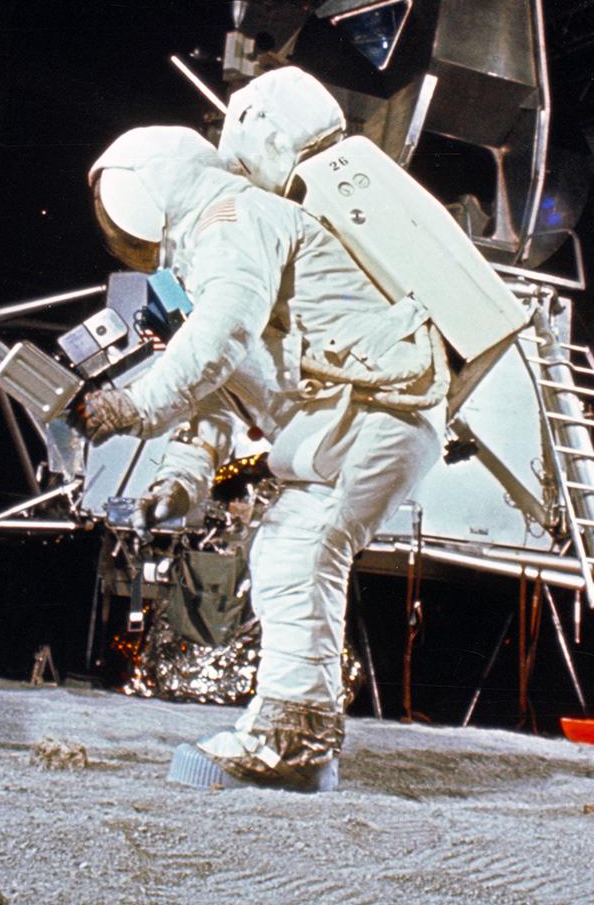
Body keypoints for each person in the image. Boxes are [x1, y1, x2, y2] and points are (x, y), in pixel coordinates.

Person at [81, 68, 447, 790]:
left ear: (150, 189)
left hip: (378, 408)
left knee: (299, 549)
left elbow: (223, 333)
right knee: (294, 548)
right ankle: (296, 738)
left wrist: (135, 406)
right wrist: (182, 478)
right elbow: (226, 382)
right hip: (369, 410)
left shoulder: (231, 213)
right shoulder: (236, 229)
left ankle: (292, 747)